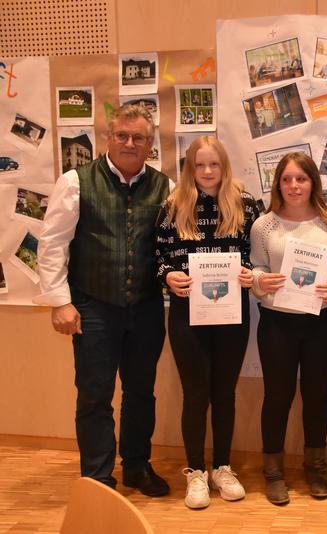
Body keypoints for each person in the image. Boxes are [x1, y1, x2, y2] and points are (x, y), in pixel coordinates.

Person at [33, 104, 171, 495]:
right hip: (92, 305)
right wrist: (60, 301)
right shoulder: (76, 181)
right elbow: (53, 243)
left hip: (145, 306)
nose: (130, 143)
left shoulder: (167, 187)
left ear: (150, 144)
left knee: (141, 391)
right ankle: (97, 477)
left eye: (139, 138)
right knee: (95, 393)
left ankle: (137, 466)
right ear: (110, 138)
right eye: (122, 135)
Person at [154, 137, 259, 509]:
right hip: (187, 313)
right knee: (195, 394)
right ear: (190, 168)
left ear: (224, 165)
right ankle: (196, 471)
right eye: (200, 165)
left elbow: (256, 255)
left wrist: (252, 274)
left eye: (214, 164)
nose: (208, 172)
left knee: (224, 393)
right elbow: (159, 255)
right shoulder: (173, 205)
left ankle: (222, 468)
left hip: (233, 312)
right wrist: (168, 276)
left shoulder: (245, 204)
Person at [250, 152, 327, 505]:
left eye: (301, 179)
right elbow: (256, 269)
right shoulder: (264, 226)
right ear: (278, 183)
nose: (294, 186)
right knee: (277, 396)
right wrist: (264, 281)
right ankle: (273, 471)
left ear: (313, 183)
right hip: (277, 322)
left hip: (320, 321)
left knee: (317, 395)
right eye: (287, 179)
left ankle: (315, 467)